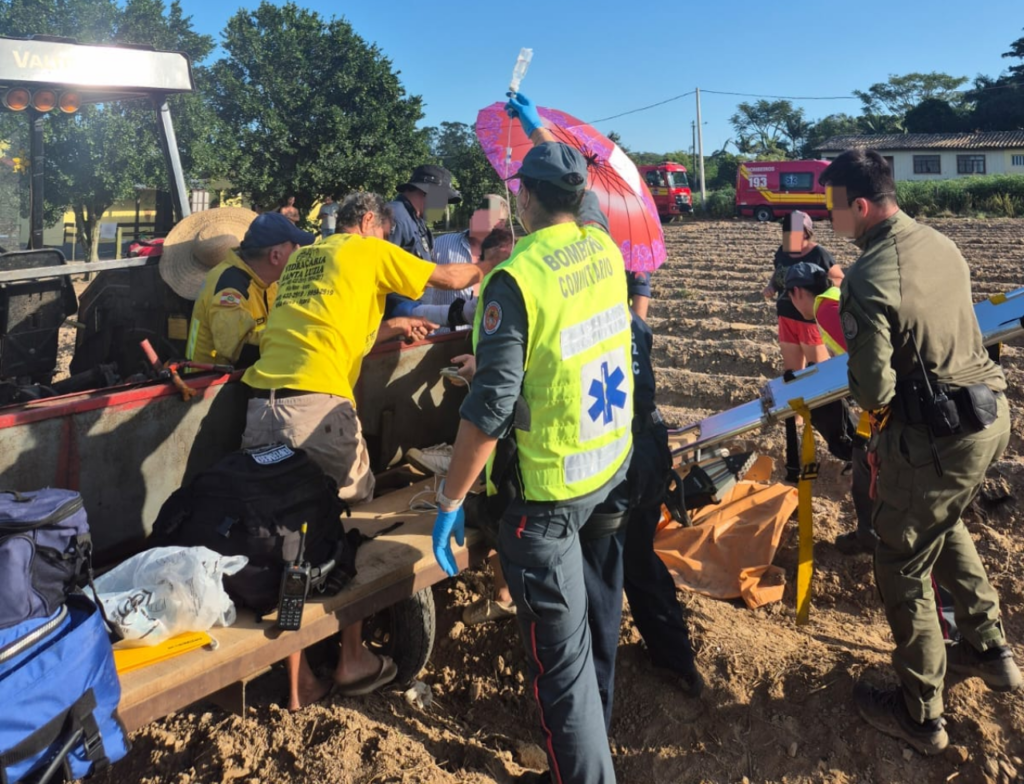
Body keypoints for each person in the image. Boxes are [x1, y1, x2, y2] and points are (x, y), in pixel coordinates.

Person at [432, 90, 633, 784]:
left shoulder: (514, 277)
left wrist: (451, 500)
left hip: (546, 497)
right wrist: (534, 125)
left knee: (562, 670)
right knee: (586, 638)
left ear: (522, 202)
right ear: (577, 199)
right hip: (608, 468)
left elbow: (491, 407)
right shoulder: (602, 246)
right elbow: (588, 194)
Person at [239, 191, 497, 712]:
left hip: (262, 405)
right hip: (316, 410)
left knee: (287, 538)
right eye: (384, 230)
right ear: (368, 222)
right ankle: (351, 659)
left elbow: (333, 329)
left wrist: (395, 325)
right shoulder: (366, 248)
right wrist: (492, 264)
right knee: (348, 525)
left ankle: (299, 680)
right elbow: (446, 279)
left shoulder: (303, 261)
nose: (387, 240)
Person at [820, 149, 1021, 755]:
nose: (830, 222)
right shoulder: (940, 242)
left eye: (833, 210)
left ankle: (920, 712)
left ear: (859, 207)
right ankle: (990, 652)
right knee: (942, 521)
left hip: (935, 437)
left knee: (900, 561)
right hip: (990, 417)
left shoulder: (865, 278)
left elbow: (873, 390)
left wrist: (875, 441)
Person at [783, 262, 874, 555]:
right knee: (863, 466)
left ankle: (872, 538)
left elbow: (870, 355)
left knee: (866, 468)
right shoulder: (834, 296)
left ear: (797, 292)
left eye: (790, 297)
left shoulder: (825, 310)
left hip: (890, 402)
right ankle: (868, 534)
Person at [762, 210, 843, 481]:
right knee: (792, 370)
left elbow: (838, 279)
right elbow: (777, 275)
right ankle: (799, 416)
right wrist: (771, 287)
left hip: (809, 319)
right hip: (786, 314)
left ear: (806, 232)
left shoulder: (819, 254)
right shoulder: (782, 253)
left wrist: (817, 296)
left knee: (820, 370)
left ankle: (831, 416)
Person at [186, 212, 315, 368]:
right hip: (208, 385)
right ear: (275, 256)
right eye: (295, 247)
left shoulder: (269, 281)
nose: (299, 251)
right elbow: (239, 352)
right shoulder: (230, 288)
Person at [385, 165, 461, 318]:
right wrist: (401, 311)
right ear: (426, 192)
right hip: (395, 322)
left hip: (414, 318)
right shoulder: (394, 218)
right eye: (443, 198)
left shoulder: (417, 222)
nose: (444, 205)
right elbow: (378, 274)